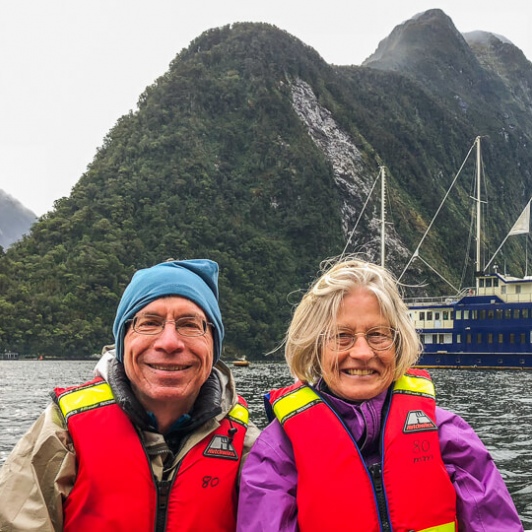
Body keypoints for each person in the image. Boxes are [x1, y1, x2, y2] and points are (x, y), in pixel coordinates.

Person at [236, 257, 523, 532]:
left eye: (377, 335)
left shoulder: (449, 437)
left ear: (398, 344)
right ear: (315, 348)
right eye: (341, 336)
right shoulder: (276, 454)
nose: (362, 353)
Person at [0, 258, 259, 531]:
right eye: (149, 322)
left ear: (213, 343)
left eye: (190, 324)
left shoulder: (246, 443)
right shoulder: (64, 430)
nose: (169, 342)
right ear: (123, 341)